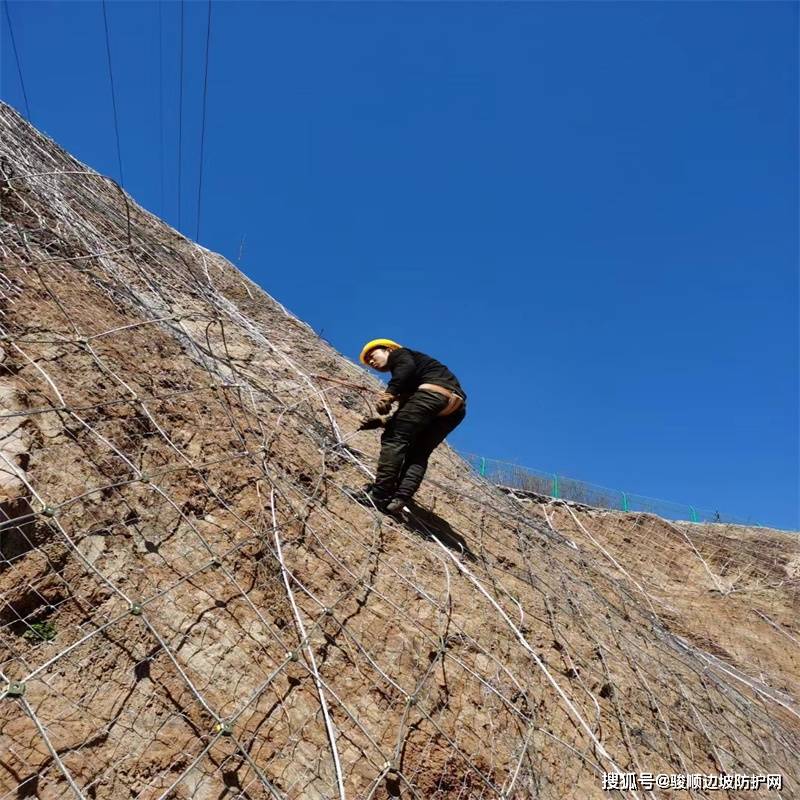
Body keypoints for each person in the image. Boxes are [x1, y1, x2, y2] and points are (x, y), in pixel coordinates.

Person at [355, 338, 467, 516]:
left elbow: (404, 369)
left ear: (388, 350)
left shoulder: (400, 355)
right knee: (418, 452)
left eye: (372, 355)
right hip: (454, 408)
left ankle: (379, 495)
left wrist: (389, 394)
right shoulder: (414, 377)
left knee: (393, 438)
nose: (371, 361)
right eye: (368, 361)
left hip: (432, 394)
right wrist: (382, 422)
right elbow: (409, 415)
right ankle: (400, 498)